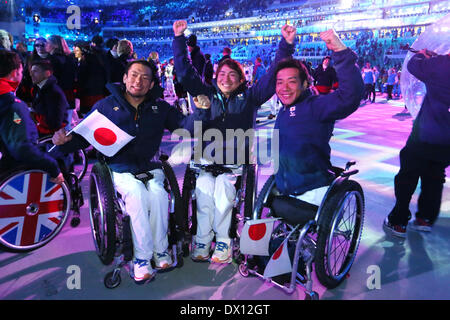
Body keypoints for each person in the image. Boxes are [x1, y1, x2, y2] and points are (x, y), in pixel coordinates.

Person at [52, 59, 209, 284]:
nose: (138, 81)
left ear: (152, 83)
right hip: (118, 169)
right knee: (136, 194)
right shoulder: (105, 106)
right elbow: (82, 136)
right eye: (134, 75)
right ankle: (142, 260)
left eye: (145, 77)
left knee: (158, 196)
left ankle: (161, 251)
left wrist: (200, 112)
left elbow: (185, 127)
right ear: (124, 78)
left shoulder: (159, 107)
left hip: (149, 167)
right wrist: (64, 142)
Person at [172, 20, 296, 264]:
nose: (226, 79)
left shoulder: (251, 97)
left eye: (232, 75)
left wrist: (286, 45)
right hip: (206, 159)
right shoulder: (206, 93)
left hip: (235, 163)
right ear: (215, 77)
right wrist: (178, 39)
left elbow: (272, 75)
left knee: (223, 195)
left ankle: (223, 241)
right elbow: (185, 72)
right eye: (222, 74)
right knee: (204, 193)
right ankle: (201, 240)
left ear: (241, 79)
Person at [273, 29, 363, 201]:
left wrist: (341, 52)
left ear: (305, 83)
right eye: (280, 83)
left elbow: (349, 97)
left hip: (312, 191)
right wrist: (286, 45)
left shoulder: (315, 106)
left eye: (292, 82)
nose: (284, 88)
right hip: (286, 185)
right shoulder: (286, 107)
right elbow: (280, 70)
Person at [383, 50, 450, 238]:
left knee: (408, 174)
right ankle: (425, 219)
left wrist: (423, 54)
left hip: (426, 133)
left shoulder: (442, 64)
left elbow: (414, 65)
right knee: (435, 176)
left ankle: (398, 222)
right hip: (447, 141)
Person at [0, 50, 63, 185]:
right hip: (11, 167)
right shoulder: (12, 104)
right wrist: (53, 167)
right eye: (23, 71)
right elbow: (22, 148)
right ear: (15, 72)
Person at [30, 60, 69, 136]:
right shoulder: (38, 88)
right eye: (31, 71)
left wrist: (35, 118)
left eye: (35, 71)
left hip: (51, 136)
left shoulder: (54, 93)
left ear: (47, 73)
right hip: (41, 131)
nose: (31, 74)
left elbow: (55, 123)